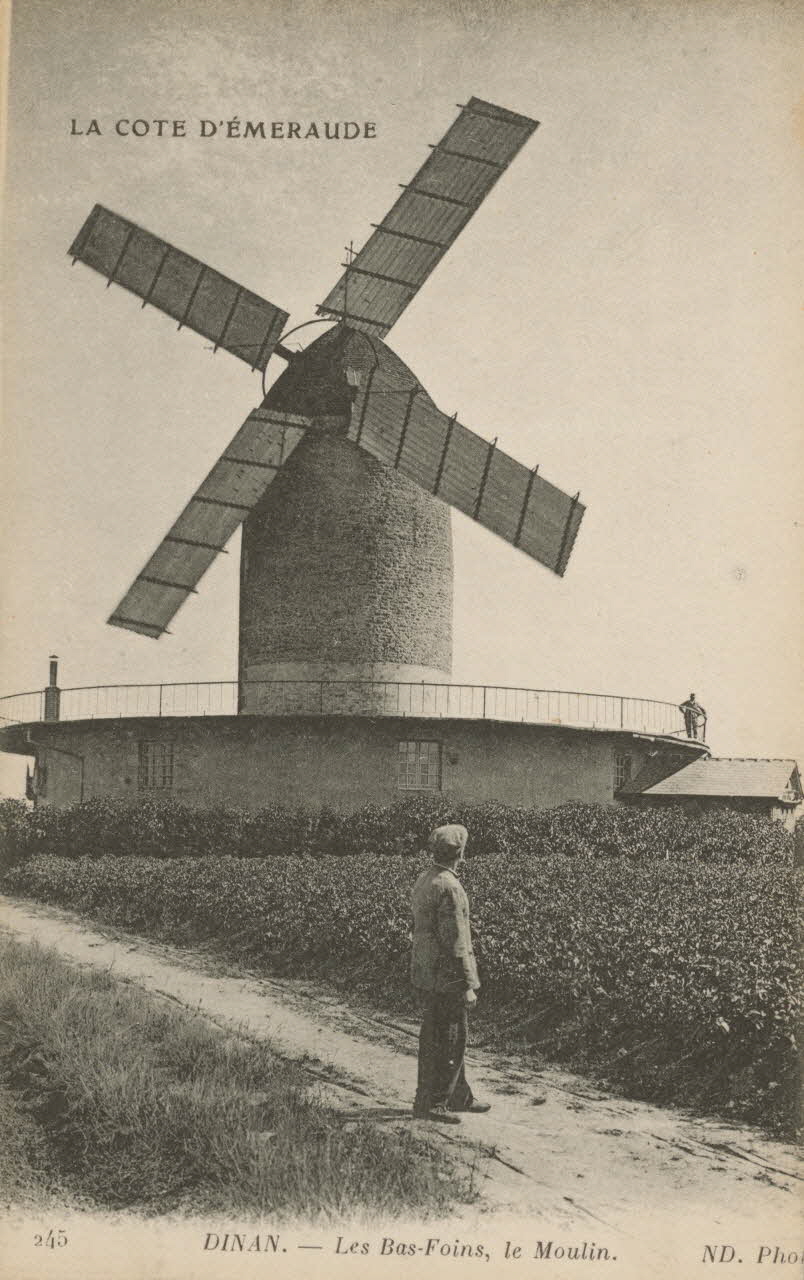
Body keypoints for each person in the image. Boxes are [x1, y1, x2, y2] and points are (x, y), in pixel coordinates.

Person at [410, 824, 490, 1124]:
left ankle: (459, 1095)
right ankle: (435, 1103)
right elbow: (456, 941)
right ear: (461, 853)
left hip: (427, 971)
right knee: (451, 1037)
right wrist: (467, 985)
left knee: (437, 1033)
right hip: (447, 977)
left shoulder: (425, 879)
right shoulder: (451, 887)